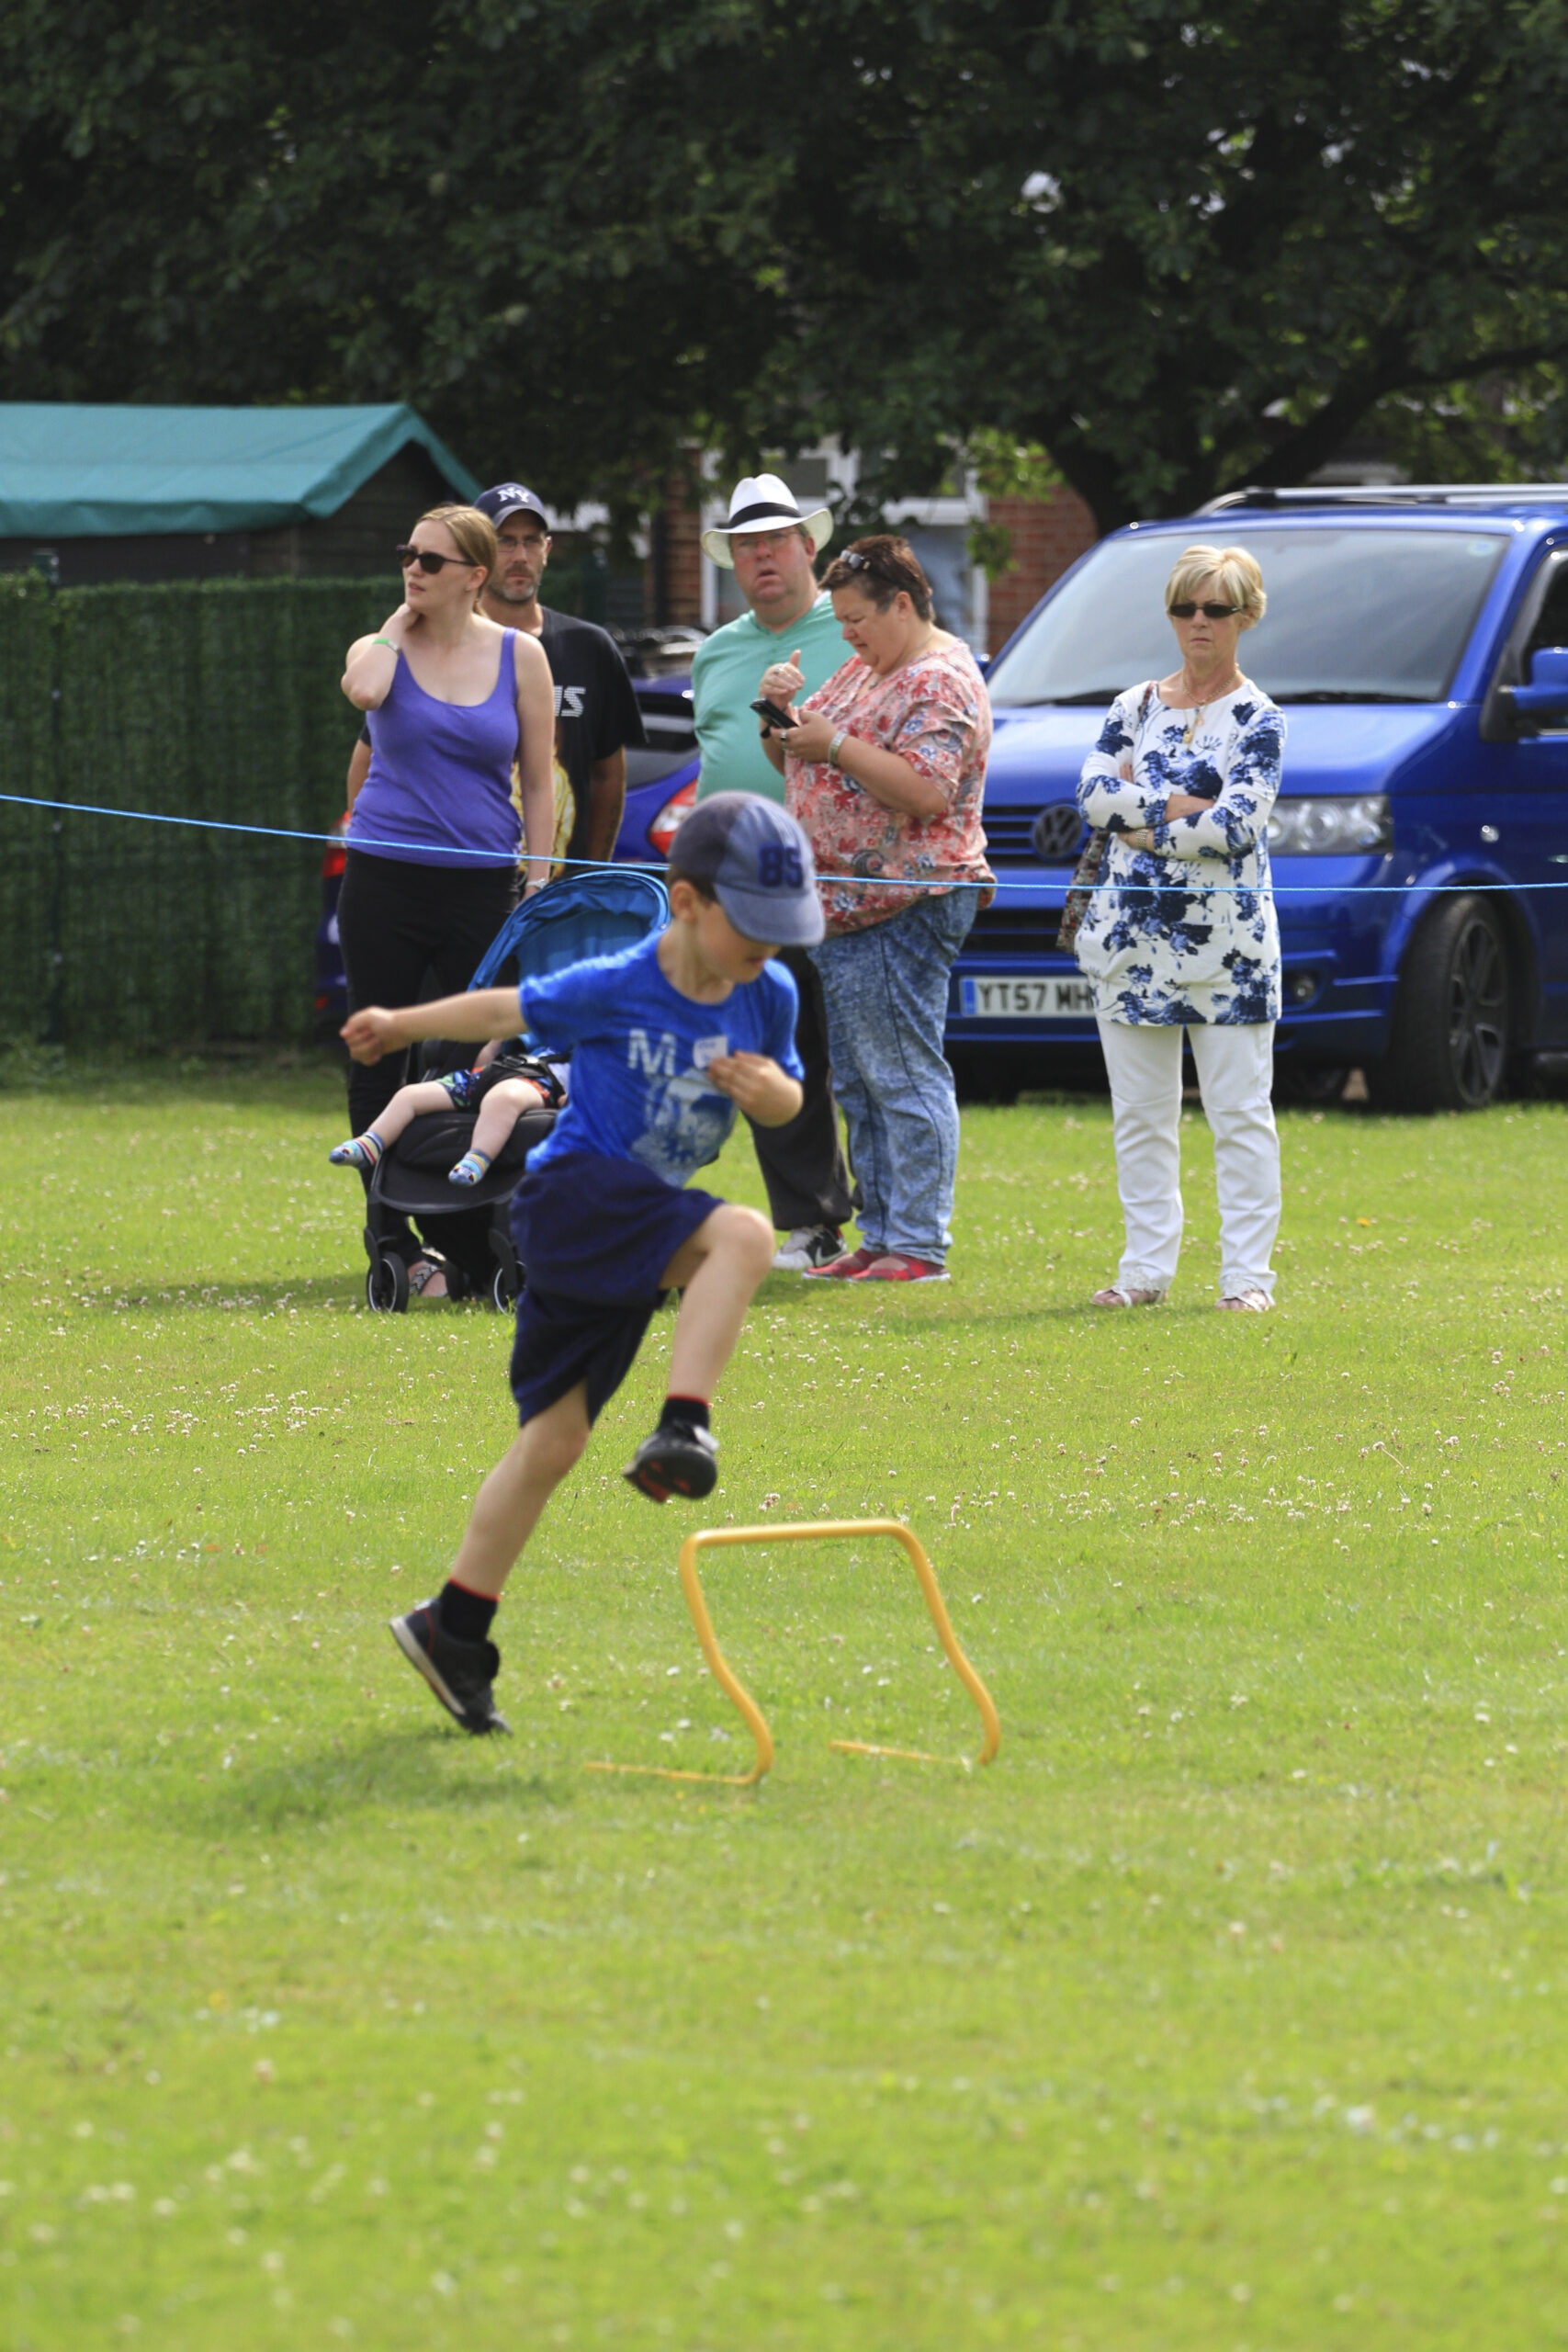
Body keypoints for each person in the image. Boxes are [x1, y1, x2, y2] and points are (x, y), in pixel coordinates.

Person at [340, 793, 818, 1736]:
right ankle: (685, 1427)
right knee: (744, 1236)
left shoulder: (768, 993)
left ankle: (452, 1628)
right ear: (687, 903)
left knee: (552, 1444)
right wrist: (399, 1023)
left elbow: (789, 1102)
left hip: (634, 1224)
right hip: (573, 1201)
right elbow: (506, 1006)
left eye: (782, 928)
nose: (768, 946)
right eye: (753, 925)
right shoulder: (623, 980)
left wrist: (771, 1091)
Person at [759, 535, 994, 1283]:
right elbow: (794, 756)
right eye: (840, 622)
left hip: (904, 901)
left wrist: (834, 746)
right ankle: (881, 1235)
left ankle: (918, 1245)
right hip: (841, 907)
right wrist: (778, 716)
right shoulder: (867, 668)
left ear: (902, 603)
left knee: (901, 1074)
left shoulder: (940, 679)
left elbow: (927, 791)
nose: (848, 634)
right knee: (859, 1082)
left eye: (857, 619)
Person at [338, 503, 556, 1297]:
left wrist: (537, 881)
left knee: (478, 1059)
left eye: (430, 560)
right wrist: (399, 621)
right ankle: (392, 1240)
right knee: (377, 1053)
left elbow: (539, 779)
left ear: (475, 574)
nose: (412, 568)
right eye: (407, 554)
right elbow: (363, 691)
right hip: (383, 880)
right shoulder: (381, 647)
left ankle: (468, 1236)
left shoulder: (521, 655)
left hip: (480, 884)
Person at [1073, 542, 1283, 1312]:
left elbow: (1237, 826)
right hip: (1128, 941)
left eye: (1215, 608)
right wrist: (1180, 810)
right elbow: (1091, 795)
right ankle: (1143, 1272)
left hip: (1229, 949)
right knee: (1139, 1117)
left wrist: (1140, 823)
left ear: (1244, 615)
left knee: (1239, 1116)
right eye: (1183, 607)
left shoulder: (1259, 719)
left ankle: (1246, 1280)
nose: (1198, 621)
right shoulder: (1132, 706)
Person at [691, 473, 855, 1273]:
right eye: (746, 546)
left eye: (775, 542)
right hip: (743, 883)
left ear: (806, 547)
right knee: (774, 1048)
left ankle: (898, 1226)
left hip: (842, 872)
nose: (761, 557)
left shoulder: (852, 630)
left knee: (860, 1054)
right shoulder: (715, 652)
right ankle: (811, 1222)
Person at [473, 481, 647, 871]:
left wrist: (591, 878)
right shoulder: (445, 646)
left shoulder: (590, 648)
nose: (521, 556)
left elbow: (608, 777)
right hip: (467, 885)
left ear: (547, 550)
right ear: (476, 551)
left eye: (531, 542)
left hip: (561, 891)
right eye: (505, 542)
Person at [328, 1039, 565, 1187]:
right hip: (489, 1074)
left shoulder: (582, 1053)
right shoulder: (530, 1032)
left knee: (502, 1100)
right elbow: (483, 1061)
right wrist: (496, 1041)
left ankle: (476, 1158)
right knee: (410, 1094)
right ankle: (370, 1144)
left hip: (539, 1085)